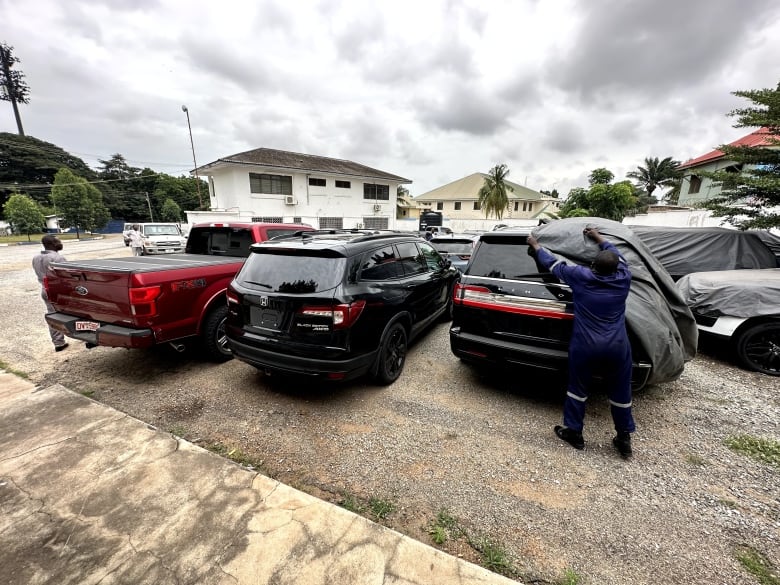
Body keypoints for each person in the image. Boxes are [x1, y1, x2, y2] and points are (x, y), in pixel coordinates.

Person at [526, 227, 635, 458]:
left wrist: (535, 246)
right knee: (621, 391)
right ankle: (624, 437)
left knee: (577, 389)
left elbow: (552, 264)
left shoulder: (581, 277)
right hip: (617, 347)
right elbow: (614, 252)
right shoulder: (624, 277)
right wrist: (598, 237)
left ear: (593, 266)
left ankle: (574, 433)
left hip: (586, 345)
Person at [32, 234, 69, 352]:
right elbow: (66, 277)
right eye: (58, 241)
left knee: (52, 315)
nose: (60, 243)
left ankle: (58, 343)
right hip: (58, 292)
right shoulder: (58, 258)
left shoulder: (36, 258)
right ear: (51, 244)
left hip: (45, 290)